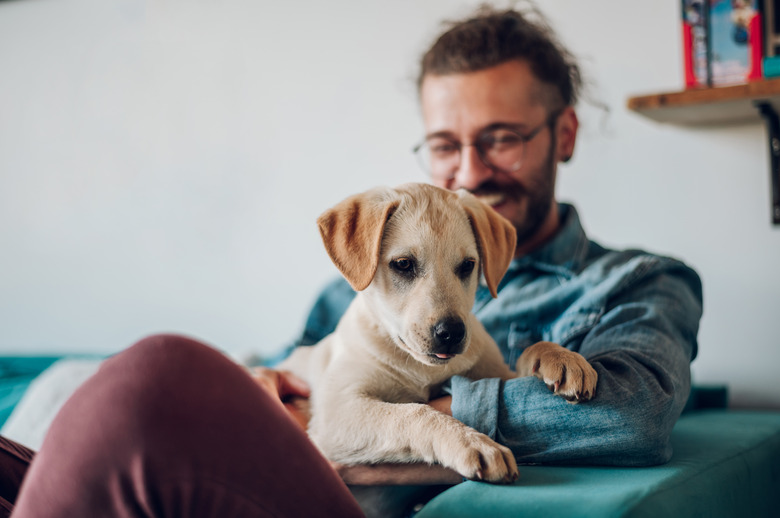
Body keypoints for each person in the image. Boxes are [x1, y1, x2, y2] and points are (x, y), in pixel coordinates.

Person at [0, 4, 702, 517]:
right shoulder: (367, 274)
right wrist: (260, 382)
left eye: (502, 137)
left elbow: (630, 417)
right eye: (445, 145)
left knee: (149, 374)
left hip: (332, 493)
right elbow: (292, 373)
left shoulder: (635, 283)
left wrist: (431, 412)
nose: (467, 173)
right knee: (98, 399)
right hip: (267, 464)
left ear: (565, 132)